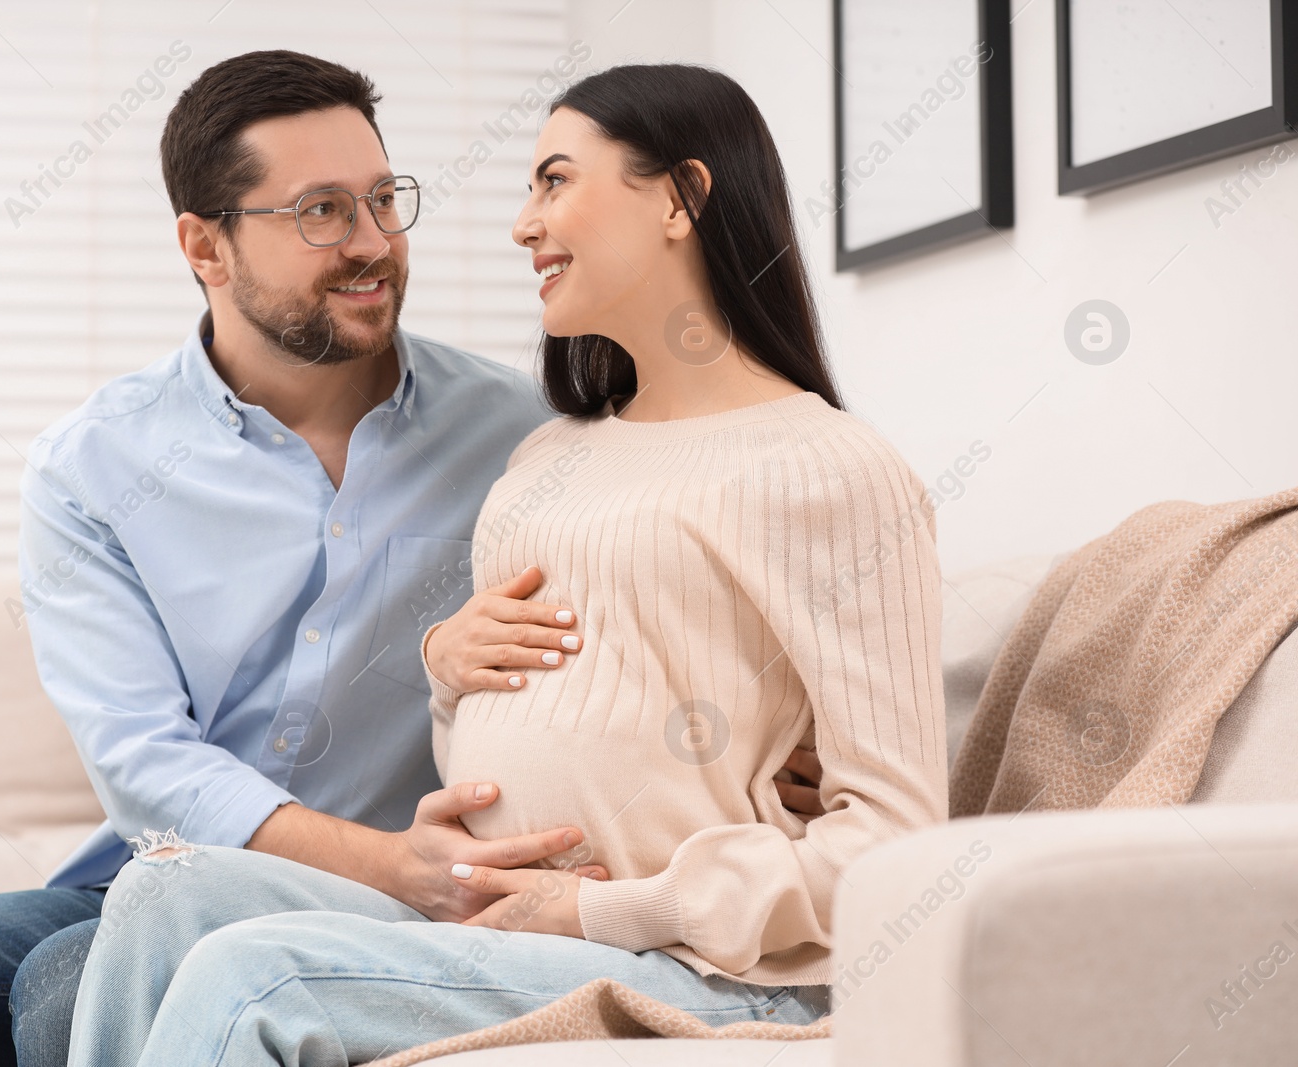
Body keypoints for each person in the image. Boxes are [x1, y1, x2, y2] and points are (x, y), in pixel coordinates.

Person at [0, 47, 831, 1067]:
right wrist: (395, 864)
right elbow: (143, 760)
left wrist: (781, 731)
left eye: (382, 198)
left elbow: (693, 580)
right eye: (321, 210)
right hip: (182, 872)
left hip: (419, 892)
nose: (372, 240)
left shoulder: (523, 432)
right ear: (205, 248)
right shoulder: (92, 464)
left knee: (64, 984)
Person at [61, 62, 947, 1067]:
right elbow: (498, 734)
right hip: (493, 909)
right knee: (160, 886)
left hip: (686, 954)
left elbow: (895, 838)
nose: (522, 223)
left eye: (554, 181)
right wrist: (446, 672)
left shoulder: (826, 468)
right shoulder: (544, 457)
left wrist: (606, 901)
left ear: (679, 197)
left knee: (251, 978)